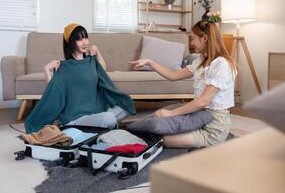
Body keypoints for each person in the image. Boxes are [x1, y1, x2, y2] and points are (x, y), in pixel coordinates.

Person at [129, 20, 236, 148]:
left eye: (193, 39)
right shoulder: (202, 60)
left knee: (160, 139)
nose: (192, 43)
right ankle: (129, 130)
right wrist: (149, 62)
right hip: (197, 116)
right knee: (156, 119)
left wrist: (171, 114)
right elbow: (174, 75)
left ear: (205, 38)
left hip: (213, 126)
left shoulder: (221, 64)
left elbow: (203, 101)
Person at [25, 23, 136, 133]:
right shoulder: (64, 66)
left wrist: (97, 52)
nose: (84, 43)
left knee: (126, 105)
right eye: (79, 40)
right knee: (107, 119)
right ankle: (78, 127)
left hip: (96, 111)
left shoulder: (91, 61)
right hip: (75, 117)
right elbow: (53, 93)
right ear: (71, 42)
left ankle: (95, 127)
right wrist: (46, 70)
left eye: (85, 38)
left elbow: (103, 68)